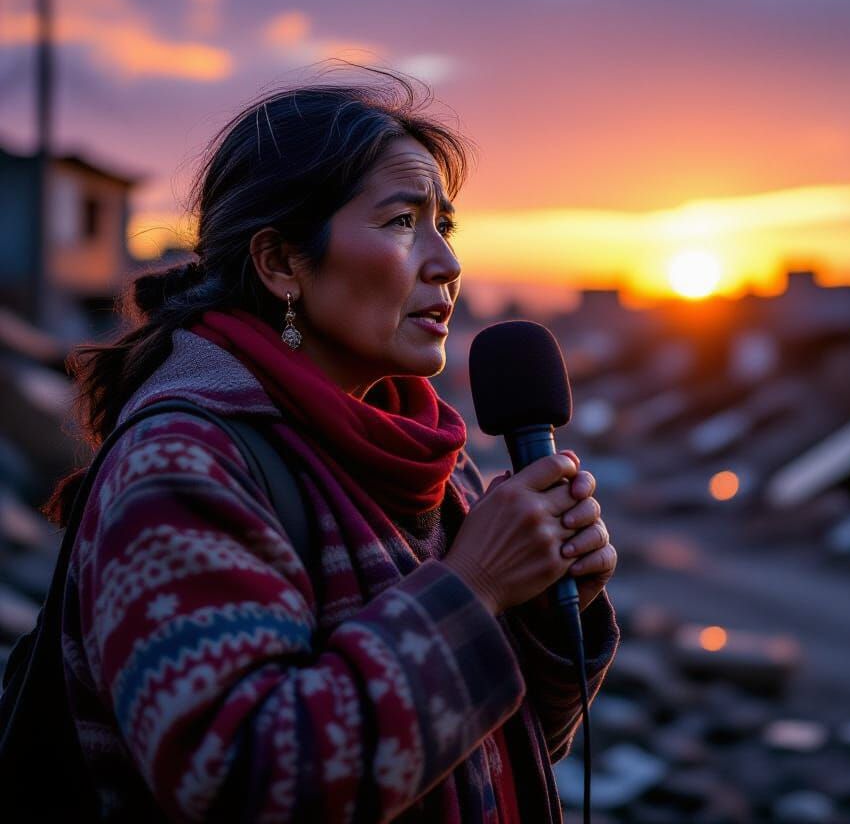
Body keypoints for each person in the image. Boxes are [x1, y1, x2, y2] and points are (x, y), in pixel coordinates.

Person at [48, 72, 619, 822]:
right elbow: (244, 783)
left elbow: (483, 750)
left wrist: (545, 605)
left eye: (445, 225)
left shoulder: (429, 460)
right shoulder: (180, 467)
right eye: (401, 222)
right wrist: (476, 587)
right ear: (282, 263)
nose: (446, 263)